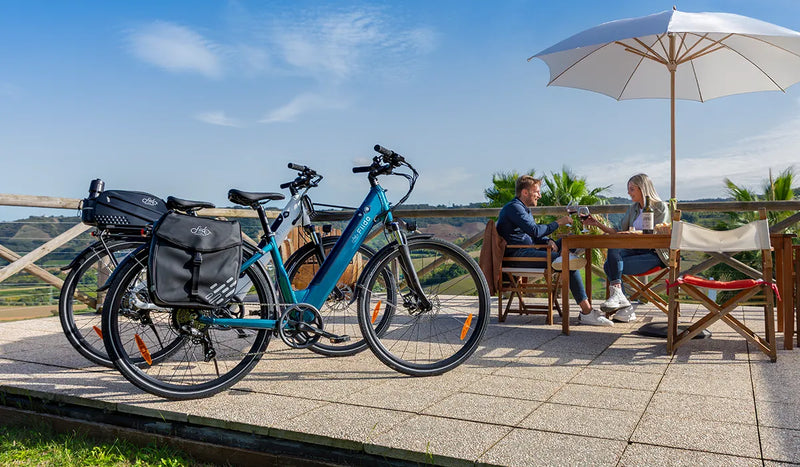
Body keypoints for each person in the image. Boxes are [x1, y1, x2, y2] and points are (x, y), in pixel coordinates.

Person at [496, 175, 613, 326]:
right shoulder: (514, 208)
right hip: (519, 255)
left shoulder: (523, 208)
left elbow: (532, 235)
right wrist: (560, 222)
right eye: (536, 191)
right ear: (525, 192)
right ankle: (586, 311)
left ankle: (572, 253)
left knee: (568, 242)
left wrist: (547, 241)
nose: (540, 195)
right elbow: (534, 231)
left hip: (530, 250)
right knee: (566, 262)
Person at [581, 173, 668, 322]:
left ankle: (625, 306)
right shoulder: (633, 208)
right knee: (612, 249)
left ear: (643, 188)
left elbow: (660, 232)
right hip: (633, 252)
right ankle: (623, 303)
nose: (629, 193)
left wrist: (634, 234)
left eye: (632, 189)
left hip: (654, 255)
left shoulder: (660, 207)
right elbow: (618, 233)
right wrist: (598, 224)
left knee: (610, 265)